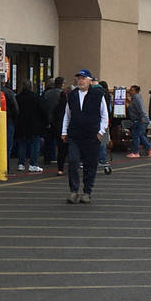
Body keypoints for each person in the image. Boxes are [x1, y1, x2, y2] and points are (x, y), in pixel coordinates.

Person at [61, 69, 108, 204]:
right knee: (73, 162)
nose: (80, 80)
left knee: (90, 164)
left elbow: (104, 115)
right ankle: (74, 191)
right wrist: (64, 132)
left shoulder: (98, 95)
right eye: (79, 78)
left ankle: (87, 191)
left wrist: (100, 132)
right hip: (75, 135)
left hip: (92, 136)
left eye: (83, 78)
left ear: (89, 80)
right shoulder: (72, 95)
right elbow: (67, 115)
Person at [15, 80, 46, 172]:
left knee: (22, 144)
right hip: (34, 125)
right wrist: (45, 122)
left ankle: (21, 163)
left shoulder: (18, 97)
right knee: (35, 144)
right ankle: (33, 164)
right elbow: (43, 111)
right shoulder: (36, 97)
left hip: (21, 124)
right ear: (31, 87)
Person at [125, 85, 151, 158]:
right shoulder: (134, 98)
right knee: (140, 135)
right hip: (138, 119)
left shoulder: (136, 98)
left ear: (135, 91)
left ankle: (136, 152)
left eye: (131, 90)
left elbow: (141, 108)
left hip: (140, 119)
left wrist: (142, 117)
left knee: (136, 135)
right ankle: (150, 148)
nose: (130, 91)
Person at [40, 77, 64, 165]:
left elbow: (43, 106)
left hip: (48, 119)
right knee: (59, 140)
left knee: (48, 140)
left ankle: (47, 158)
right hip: (58, 120)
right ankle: (57, 157)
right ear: (62, 84)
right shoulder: (62, 94)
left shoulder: (47, 93)